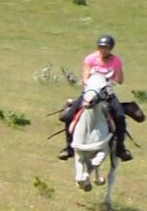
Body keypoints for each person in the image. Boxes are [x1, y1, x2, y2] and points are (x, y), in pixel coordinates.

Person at [59, 32, 138, 161]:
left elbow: (120, 79)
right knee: (69, 115)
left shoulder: (116, 61)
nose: (103, 50)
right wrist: (93, 87)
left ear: (111, 48)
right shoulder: (91, 58)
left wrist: (108, 84)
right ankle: (69, 148)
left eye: (106, 47)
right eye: (101, 47)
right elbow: (85, 78)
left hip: (107, 94)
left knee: (120, 116)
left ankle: (120, 148)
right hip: (90, 92)